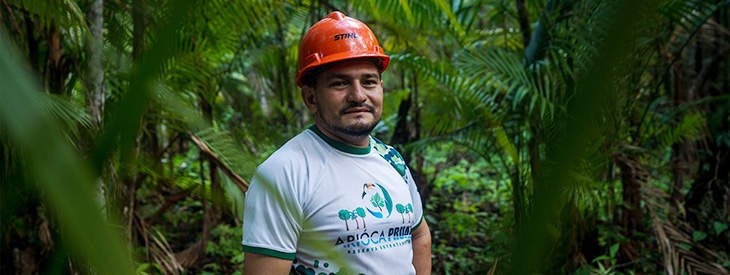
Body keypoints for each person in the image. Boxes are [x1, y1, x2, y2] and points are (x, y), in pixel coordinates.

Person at [241, 11, 431, 275]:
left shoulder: (392, 160)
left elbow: (419, 236)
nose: (358, 95)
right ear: (311, 98)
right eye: (340, 83)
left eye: (369, 82)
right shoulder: (284, 173)